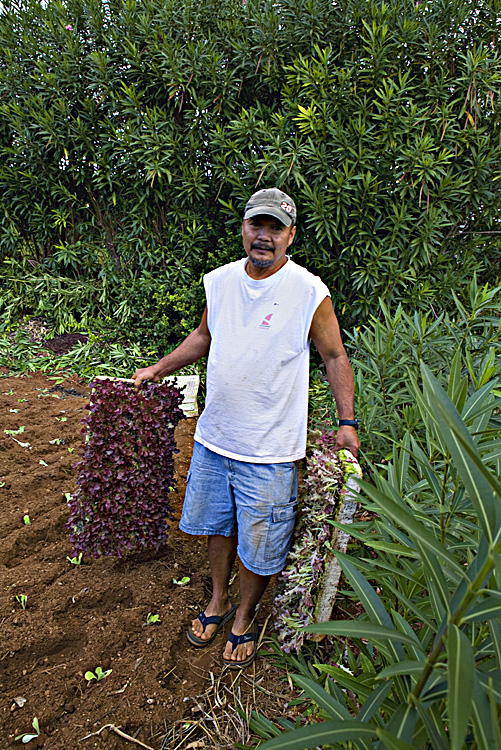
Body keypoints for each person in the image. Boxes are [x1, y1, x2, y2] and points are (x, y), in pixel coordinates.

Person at [132, 188, 360, 669]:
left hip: (271, 448)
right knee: (218, 528)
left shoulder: (308, 293)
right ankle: (217, 599)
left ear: (290, 236)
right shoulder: (219, 282)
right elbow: (203, 336)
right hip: (216, 438)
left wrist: (346, 422)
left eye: (275, 228)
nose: (264, 236)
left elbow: (334, 356)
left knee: (261, 541)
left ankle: (244, 615)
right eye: (257, 225)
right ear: (243, 229)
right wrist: (157, 369)